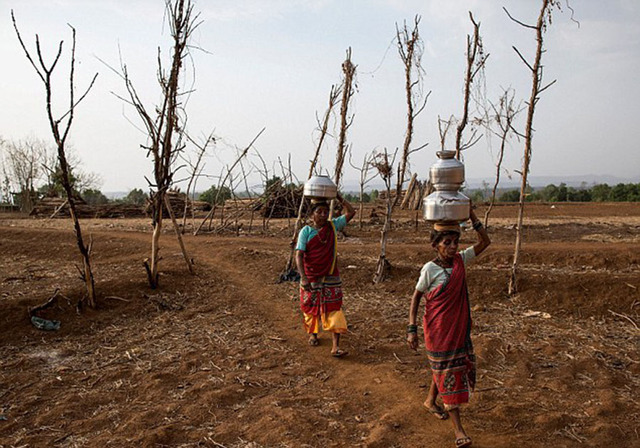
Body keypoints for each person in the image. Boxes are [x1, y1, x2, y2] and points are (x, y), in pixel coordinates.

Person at [406, 206, 490, 448]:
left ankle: (430, 401)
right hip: (438, 331)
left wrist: (472, 216)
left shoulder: (461, 261)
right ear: (436, 245)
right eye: (447, 243)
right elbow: (416, 297)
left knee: (445, 369)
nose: (452, 247)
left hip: (458, 329)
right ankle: (458, 431)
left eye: (455, 242)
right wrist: (412, 328)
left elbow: (486, 241)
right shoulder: (429, 269)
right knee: (447, 374)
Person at [295, 193, 355, 357]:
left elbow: (351, 212)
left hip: (330, 274)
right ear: (311, 215)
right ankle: (313, 334)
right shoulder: (305, 232)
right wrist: (303, 277)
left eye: (325, 212)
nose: (322, 215)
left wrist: (339, 197)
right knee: (310, 307)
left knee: (334, 308)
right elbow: (299, 255)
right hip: (311, 275)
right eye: (319, 212)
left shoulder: (333, 226)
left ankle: (335, 346)